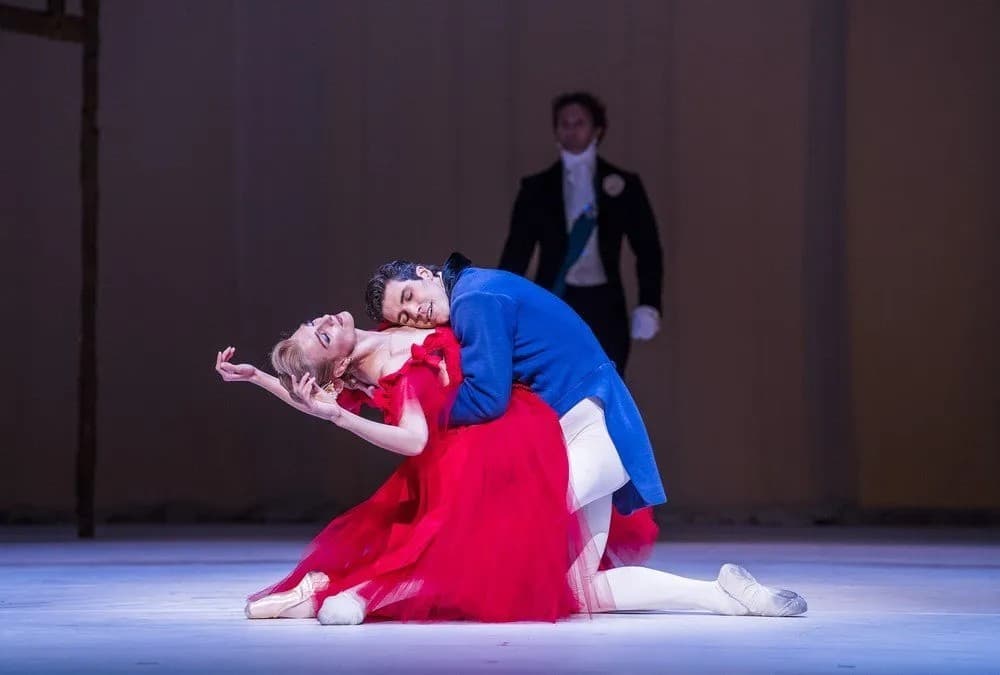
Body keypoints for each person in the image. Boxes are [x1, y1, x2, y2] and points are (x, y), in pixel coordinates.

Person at [366, 253, 807, 618]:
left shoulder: (474, 300)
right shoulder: (477, 288)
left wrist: (419, 417)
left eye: (409, 296)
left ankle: (370, 596)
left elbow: (486, 399)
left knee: (489, 528)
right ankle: (727, 596)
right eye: (403, 315)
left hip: (593, 428)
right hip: (585, 430)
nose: (415, 313)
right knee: (579, 589)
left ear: (424, 274)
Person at [215, 315, 588, 624]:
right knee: (437, 560)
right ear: (340, 364)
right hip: (482, 445)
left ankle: (319, 593)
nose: (325, 320)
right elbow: (413, 440)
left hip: (477, 438)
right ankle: (327, 596)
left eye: (314, 324)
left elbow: (314, 401)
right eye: (325, 336)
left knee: (414, 550)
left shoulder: (374, 345)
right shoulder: (394, 365)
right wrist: (341, 417)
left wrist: (257, 377)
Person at [498, 91, 664, 375]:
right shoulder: (536, 188)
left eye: (580, 123)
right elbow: (517, 252)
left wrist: (649, 303)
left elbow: (647, 248)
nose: (572, 130)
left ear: (597, 130)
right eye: (564, 124)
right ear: (555, 130)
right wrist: (500, 304)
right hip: (555, 299)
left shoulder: (624, 184)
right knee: (550, 382)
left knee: (607, 383)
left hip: (606, 303)